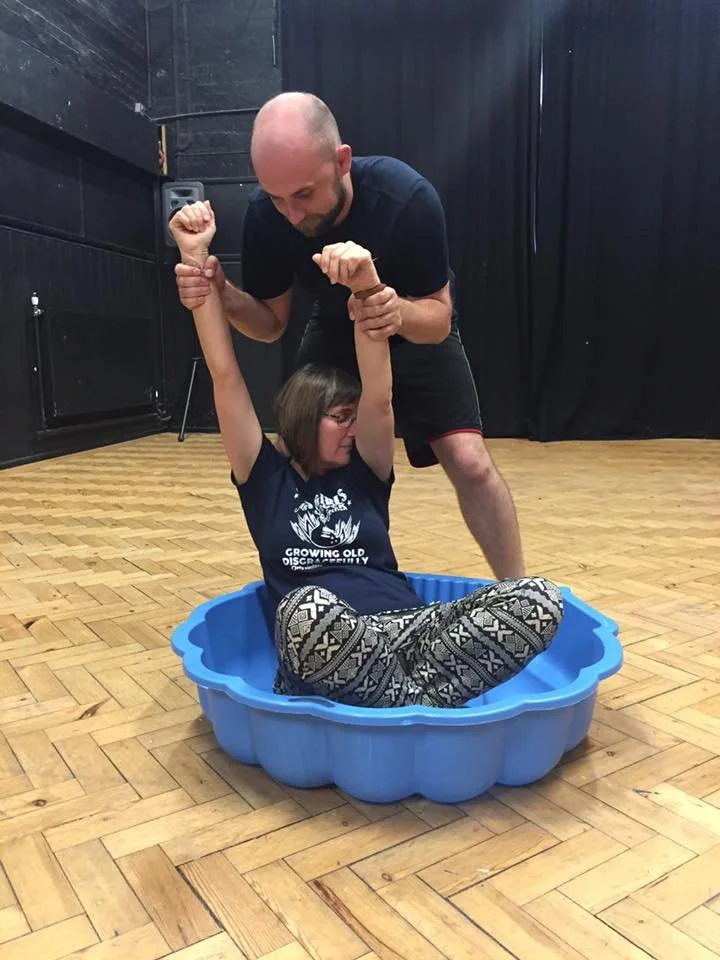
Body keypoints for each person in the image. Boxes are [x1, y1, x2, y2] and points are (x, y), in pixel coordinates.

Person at [168, 199, 563, 708]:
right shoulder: (265, 480)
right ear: (305, 420)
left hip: (412, 636)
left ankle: (397, 698)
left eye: (353, 417)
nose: (353, 427)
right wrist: (195, 255)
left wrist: (367, 286)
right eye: (338, 417)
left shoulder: (367, 472)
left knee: (539, 600)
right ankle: (421, 700)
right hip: (326, 640)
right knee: (303, 612)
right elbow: (225, 377)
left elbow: (379, 394)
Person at [174, 91, 525, 582]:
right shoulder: (267, 215)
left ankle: (518, 595)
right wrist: (220, 289)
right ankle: (325, 580)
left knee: (470, 463)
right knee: (297, 448)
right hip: (336, 325)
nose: (291, 215)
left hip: (413, 321)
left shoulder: (407, 198)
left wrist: (387, 305)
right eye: (276, 198)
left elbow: (439, 319)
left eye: (303, 195)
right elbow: (269, 323)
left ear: (342, 162)